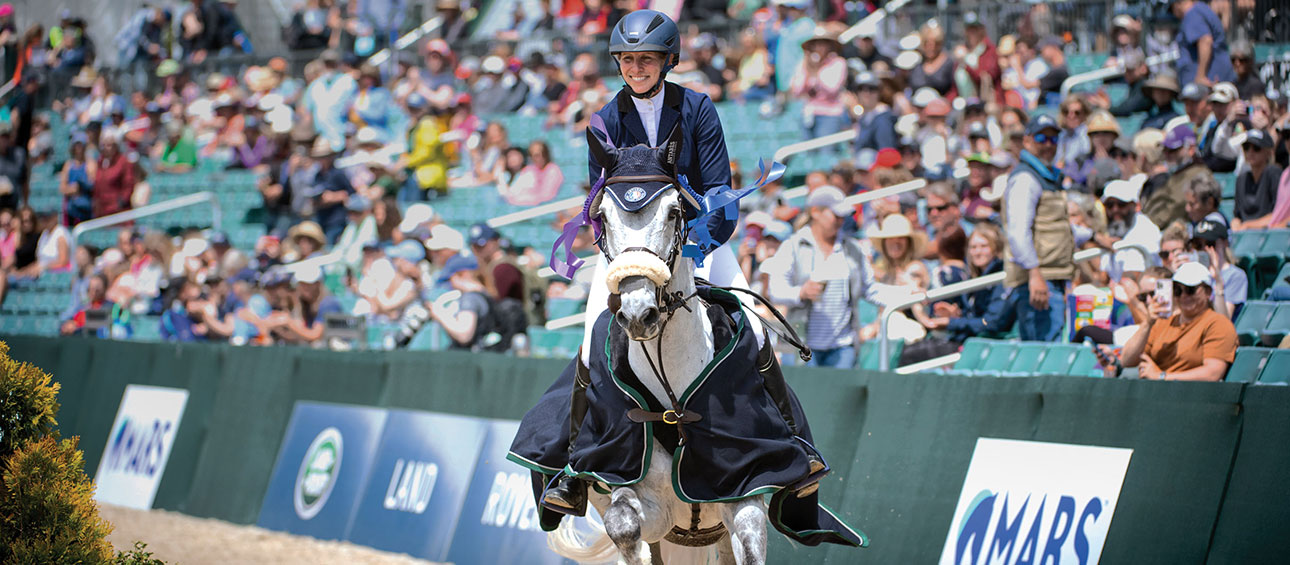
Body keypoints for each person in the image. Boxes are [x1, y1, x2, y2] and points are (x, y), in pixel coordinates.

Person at [541, 8, 823, 521]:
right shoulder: (604, 121)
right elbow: (598, 197)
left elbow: (718, 185)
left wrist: (701, 243)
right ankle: (572, 470)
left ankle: (797, 452)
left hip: (696, 242)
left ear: (668, 60)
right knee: (588, 343)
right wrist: (620, 252)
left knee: (757, 332)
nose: (636, 68)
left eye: (645, 59)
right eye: (626, 59)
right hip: (631, 253)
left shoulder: (696, 108)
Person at [763, 186, 882, 369]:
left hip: (843, 348)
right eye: (836, 215)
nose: (841, 221)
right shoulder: (793, 246)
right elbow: (775, 290)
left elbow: (871, 289)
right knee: (802, 397)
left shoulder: (852, 249)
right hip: (801, 345)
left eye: (843, 216)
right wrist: (801, 292)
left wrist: (906, 293)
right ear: (815, 212)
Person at [1002, 114, 1073, 342]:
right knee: (1044, 352)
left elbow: (1052, 225)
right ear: (1027, 141)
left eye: (1054, 139)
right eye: (1042, 138)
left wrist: (1093, 236)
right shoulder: (1026, 179)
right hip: (1039, 280)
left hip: (1051, 277)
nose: (1049, 145)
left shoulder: (1049, 177)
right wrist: (1034, 274)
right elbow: (1017, 232)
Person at [1118, 262, 1237, 381]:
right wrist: (1148, 323)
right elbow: (1127, 360)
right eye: (1177, 290)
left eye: (1190, 290)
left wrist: (1162, 376)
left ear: (1207, 292)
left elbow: (1212, 373)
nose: (1184, 296)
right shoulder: (1162, 322)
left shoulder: (1218, 324)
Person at [1097, 176, 1161, 284]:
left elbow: (1132, 279)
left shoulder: (1146, 231)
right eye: (1110, 205)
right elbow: (1103, 277)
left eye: (1122, 204)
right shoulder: (1110, 231)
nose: (1115, 210)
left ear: (1136, 206)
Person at [1170, 0, 1237, 87]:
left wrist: (1201, 76)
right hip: (1215, 79)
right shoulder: (1201, 9)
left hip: (1209, 83)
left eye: (1171, 9)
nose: (1173, 14)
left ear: (1177, 5)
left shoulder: (1192, 13)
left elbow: (1205, 40)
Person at [1232, 129, 1282, 230]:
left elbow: (1278, 215)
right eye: (1246, 147)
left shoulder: (1273, 173)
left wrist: (1248, 225)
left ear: (1269, 152)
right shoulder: (1241, 179)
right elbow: (1237, 216)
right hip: (1245, 236)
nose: (1250, 152)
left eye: (1256, 148)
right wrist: (1235, 224)